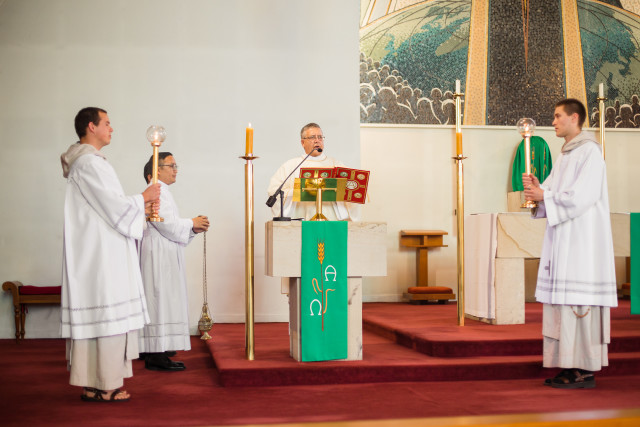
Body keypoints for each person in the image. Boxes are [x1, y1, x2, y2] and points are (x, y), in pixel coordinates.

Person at [60, 107, 161, 402]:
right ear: (91, 127)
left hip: (96, 250)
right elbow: (114, 206)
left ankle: (93, 384)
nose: (111, 128)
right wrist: (143, 198)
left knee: (100, 316)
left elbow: (109, 205)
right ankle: (106, 385)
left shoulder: (86, 162)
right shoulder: (90, 163)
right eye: (106, 123)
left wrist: (141, 207)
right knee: (108, 316)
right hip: (103, 254)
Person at [523, 98, 617, 389]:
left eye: (557, 116)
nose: (553, 122)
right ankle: (569, 366)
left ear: (574, 118)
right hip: (565, 238)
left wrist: (545, 196)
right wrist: (538, 189)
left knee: (579, 302)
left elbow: (582, 197)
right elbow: (553, 190)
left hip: (582, 243)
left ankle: (584, 370)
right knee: (564, 304)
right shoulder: (565, 154)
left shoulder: (590, 152)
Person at [138, 152, 210, 371]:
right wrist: (191, 223)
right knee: (159, 299)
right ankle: (155, 354)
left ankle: (158, 345)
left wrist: (192, 228)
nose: (176, 169)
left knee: (164, 299)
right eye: (172, 165)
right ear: (157, 169)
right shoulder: (156, 190)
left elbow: (169, 224)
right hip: (158, 254)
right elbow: (165, 223)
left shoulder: (162, 191)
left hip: (163, 250)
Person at [267, 123, 360, 221]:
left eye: (320, 137)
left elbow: (353, 191)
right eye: (312, 137)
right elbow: (273, 191)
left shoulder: (336, 165)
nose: (317, 140)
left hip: (331, 221)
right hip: (300, 221)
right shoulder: (290, 166)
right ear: (303, 142)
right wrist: (297, 191)